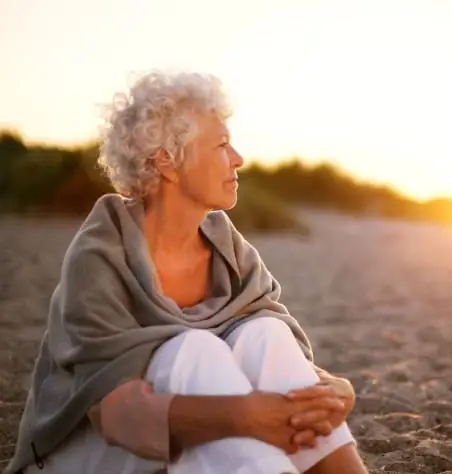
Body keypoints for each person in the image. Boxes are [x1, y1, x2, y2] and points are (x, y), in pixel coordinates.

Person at [7, 71, 368, 474]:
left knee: (265, 333)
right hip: (90, 448)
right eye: (221, 145)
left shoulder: (226, 247)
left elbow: (277, 359)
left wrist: (333, 390)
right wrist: (243, 416)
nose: (238, 159)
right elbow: (114, 413)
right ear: (167, 160)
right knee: (195, 349)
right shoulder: (100, 256)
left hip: (193, 436)